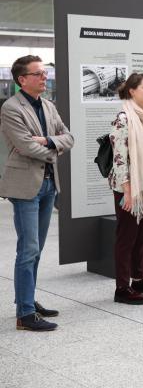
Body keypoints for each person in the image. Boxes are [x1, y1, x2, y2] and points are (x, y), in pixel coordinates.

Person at [0, 55, 74, 331]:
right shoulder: (11, 108)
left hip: (48, 185)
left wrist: (49, 141)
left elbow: (69, 137)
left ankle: (27, 299)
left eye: (45, 73)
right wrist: (55, 150)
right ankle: (25, 315)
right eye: (39, 74)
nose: (45, 78)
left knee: (37, 249)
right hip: (25, 187)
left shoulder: (48, 106)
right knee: (28, 249)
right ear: (22, 80)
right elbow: (25, 147)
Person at [109, 73, 143, 304]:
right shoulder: (124, 118)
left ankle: (138, 279)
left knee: (141, 236)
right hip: (130, 187)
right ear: (132, 91)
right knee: (127, 237)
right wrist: (127, 189)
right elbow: (119, 157)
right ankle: (122, 287)